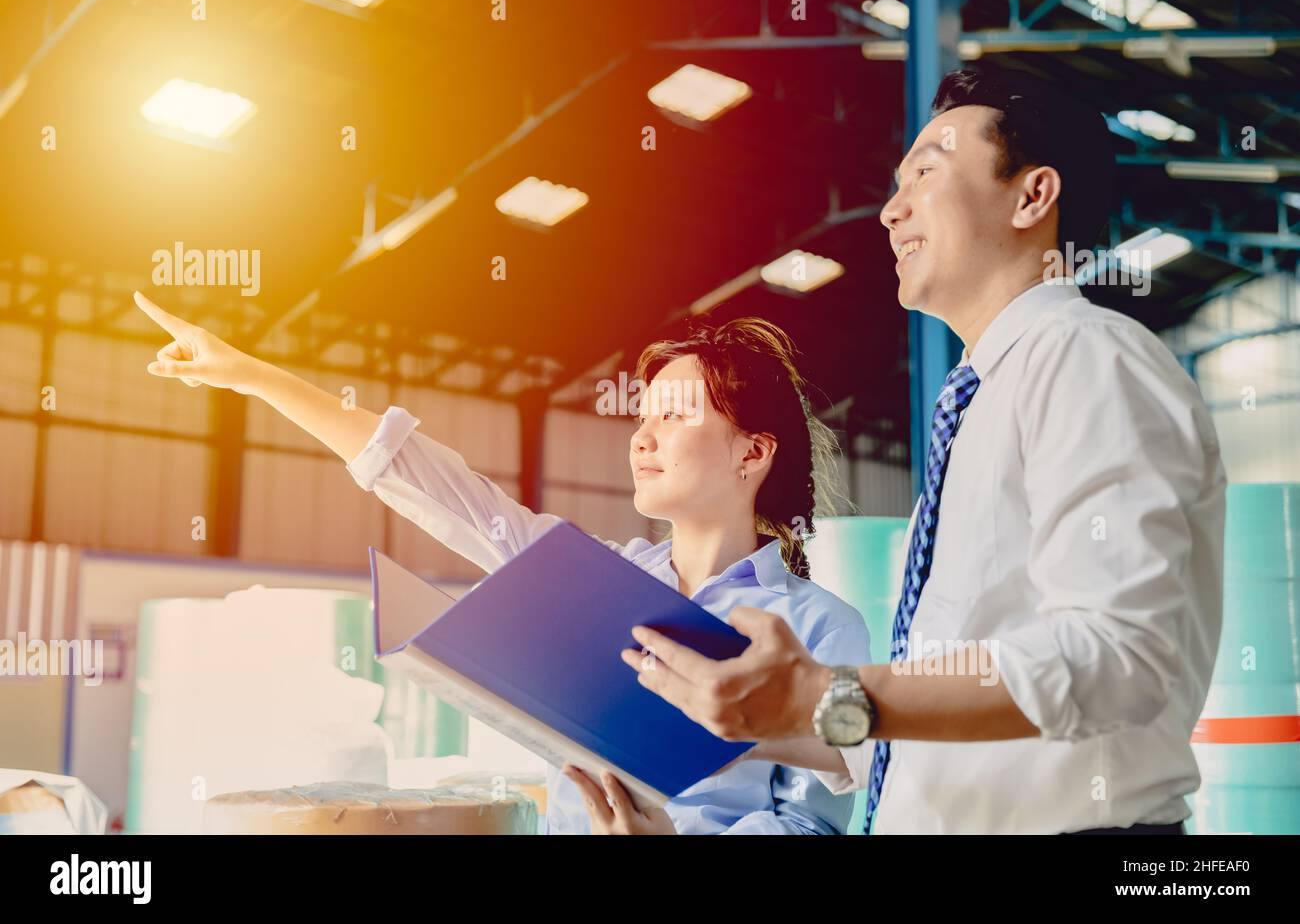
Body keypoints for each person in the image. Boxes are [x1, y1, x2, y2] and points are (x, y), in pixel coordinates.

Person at [625, 66, 1227, 834]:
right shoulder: (977, 407)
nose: (890, 210)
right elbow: (940, 736)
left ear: (1032, 197)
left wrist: (823, 694)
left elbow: (1116, 658)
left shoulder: (1089, 357)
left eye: (926, 174)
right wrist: (744, 723)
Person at [132, 294, 871, 834]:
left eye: (675, 416)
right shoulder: (591, 584)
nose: (643, 438)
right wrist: (255, 377)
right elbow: (430, 482)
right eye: (641, 417)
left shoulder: (817, 630)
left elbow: (818, 825)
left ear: (752, 451)